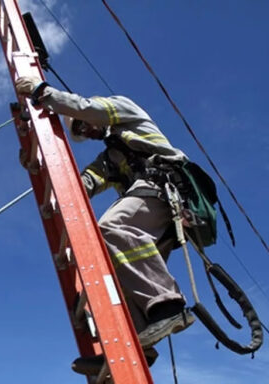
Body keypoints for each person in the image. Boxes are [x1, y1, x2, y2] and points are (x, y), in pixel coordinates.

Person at [15, 76, 195, 373]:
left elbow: (87, 108)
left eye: (83, 125)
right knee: (117, 267)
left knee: (109, 229)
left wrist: (40, 92)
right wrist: (37, 161)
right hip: (155, 205)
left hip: (164, 187)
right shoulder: (110, 157)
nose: (86, 130)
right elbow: (79, 184)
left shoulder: (122, 109)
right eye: (82, 130)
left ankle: (168, 306)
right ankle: (138, 344)